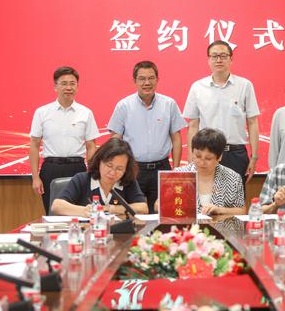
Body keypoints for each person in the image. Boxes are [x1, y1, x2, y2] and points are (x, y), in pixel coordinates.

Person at [107, 61, 187, 213]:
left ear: (157, 79)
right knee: (132, 212)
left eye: (151, 78)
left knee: (163, 212)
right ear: (135, 81)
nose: (147, 83)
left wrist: (176, 170)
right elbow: (115, 140)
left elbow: (176, 138)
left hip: (162, 168)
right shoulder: (124, 106)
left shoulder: (169, 104)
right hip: (133, 168)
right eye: (142, 79)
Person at [183, 40, 260, 189]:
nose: (219, 60)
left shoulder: (244, 85)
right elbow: (193, 125)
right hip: (206, 154)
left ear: (231, 59)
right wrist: (191, 158)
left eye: (223, 56)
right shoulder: (197, 87)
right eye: (214, 56)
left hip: (235, 154)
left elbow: (252, 122)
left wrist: (254, 157)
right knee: (205, 197)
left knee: (235, 198)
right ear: (208, 60)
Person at [29, 66, 100, 214]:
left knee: (79, 212)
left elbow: (91, 146)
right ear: (55, 87)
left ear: (77, 87)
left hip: (78, 168)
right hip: (51, 168)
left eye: (72, 83)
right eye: (64, 83)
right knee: (52, 213)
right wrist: (35, 177)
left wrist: (92, 174)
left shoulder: (86, 113)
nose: (68, 87)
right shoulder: (42, 112)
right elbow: (34, 145)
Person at [51, 138, 148, 217]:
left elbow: (143, 208)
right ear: (99, 161)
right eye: (109, 165)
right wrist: (84, 211)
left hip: (117, 233)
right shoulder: (82, 179)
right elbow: (57, 205)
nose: (112, 172)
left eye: (119, 168)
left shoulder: (127, 181)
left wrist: (112, 209)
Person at [174, 128, 245, 215]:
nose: (202, 162)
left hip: (220, 224)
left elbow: (241, 211)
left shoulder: (233, 178)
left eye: (208, 158)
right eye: (198, 156)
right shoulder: (178, 175)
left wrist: (220, 210)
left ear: (219, 157)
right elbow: (161, 206)